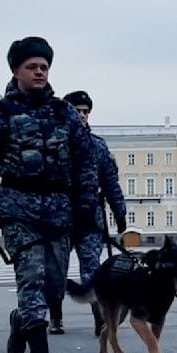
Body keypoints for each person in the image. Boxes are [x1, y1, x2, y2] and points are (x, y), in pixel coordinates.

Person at [0, 36, 98, 353]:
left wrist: (85, 209)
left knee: (55, 285)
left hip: (58, 210)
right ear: (15, 70)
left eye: (44, 67)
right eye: (32, 67)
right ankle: (39, 351)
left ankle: (21, 318)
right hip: (18, 209)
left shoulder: (65, 113)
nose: (39, 72)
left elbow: (85, 165)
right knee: (32, 277)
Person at [49, 89, 127, 337]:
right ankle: (56, 317)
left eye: (85, 111)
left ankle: (100, 319)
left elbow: (111, 182)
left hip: (90, 217)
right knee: (56, 268)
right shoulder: (53, 142)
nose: (82, 115)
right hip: (59, 215)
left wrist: (120, 212)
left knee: (92, 270)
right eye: (77, 110)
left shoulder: (98, 147)